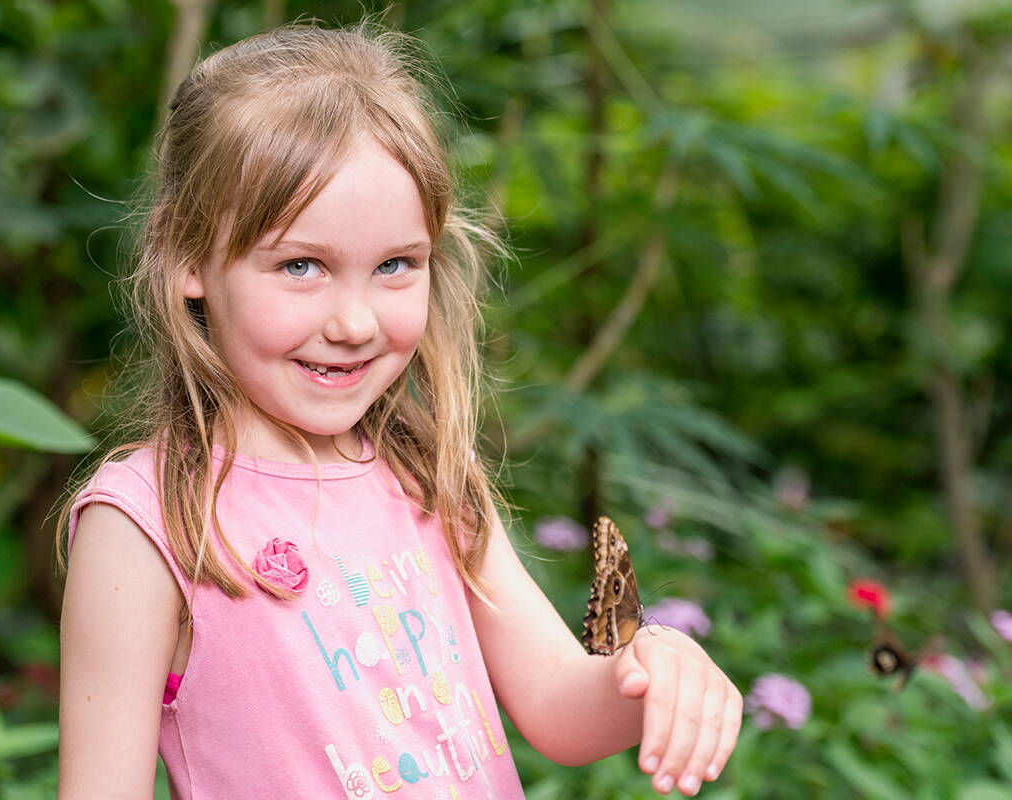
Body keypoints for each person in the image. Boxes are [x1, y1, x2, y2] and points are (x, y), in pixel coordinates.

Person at [54, 19, 742, 800]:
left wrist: (652, 672)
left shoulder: (427, 474)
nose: (355, 323)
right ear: (187, 258)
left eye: (393, 265)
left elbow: (560, 708)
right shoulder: (149, 520)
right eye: (302, 265)